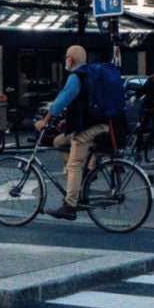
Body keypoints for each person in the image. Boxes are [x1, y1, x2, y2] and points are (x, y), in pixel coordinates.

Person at [33, 45, 112, 221]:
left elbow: (61, 101)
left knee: (75, 164)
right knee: (60, 141)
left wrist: (45, 121)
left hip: (90, 128)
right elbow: (87, 104)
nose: (65, 60)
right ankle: (84, 172)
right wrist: (67, 121)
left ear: (70, 59)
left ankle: (70, 205)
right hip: (102, 124)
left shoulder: (76, 77)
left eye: (67, 57)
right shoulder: (91, 74)